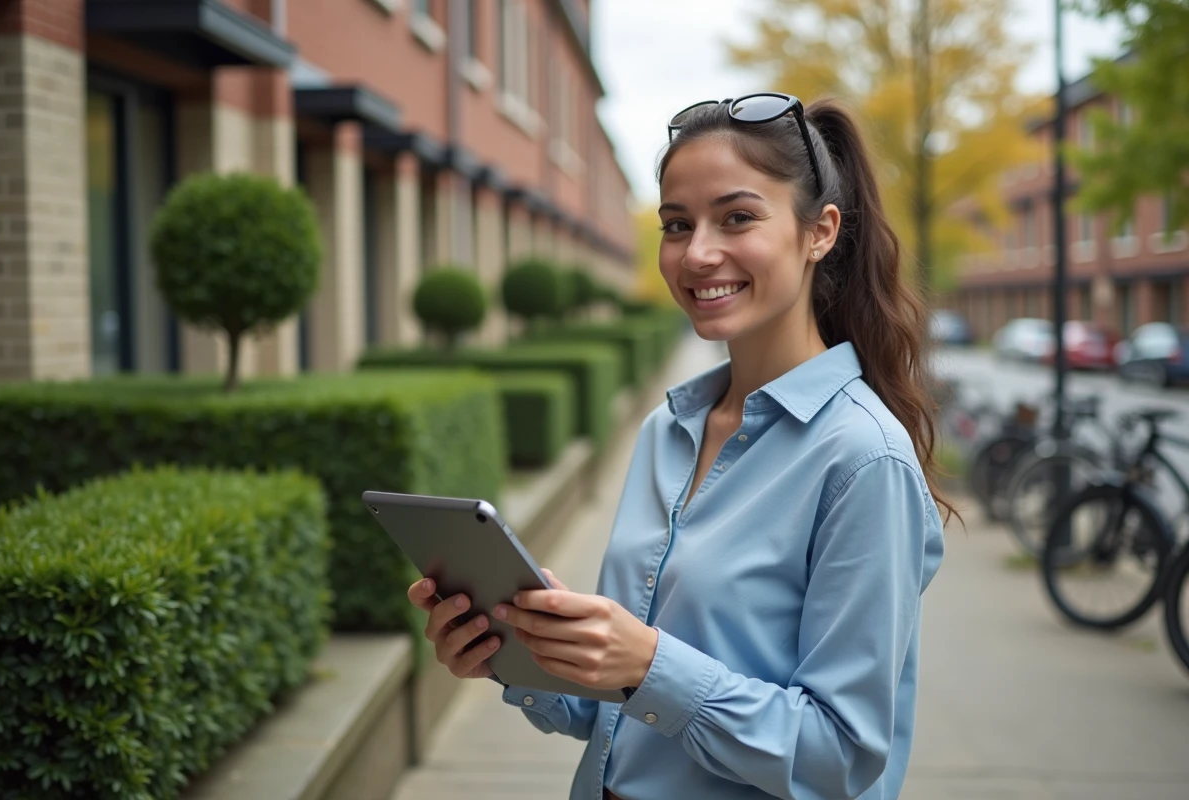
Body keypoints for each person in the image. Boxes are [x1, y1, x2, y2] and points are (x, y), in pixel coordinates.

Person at [407, 94, 950, 800]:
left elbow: (841, 756)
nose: (697, 253)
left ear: (819, 232)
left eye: (737, 217)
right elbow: (620, 710)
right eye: (675, 224)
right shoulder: (670, 430)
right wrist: (518, 651)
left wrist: (649, 665)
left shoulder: (862, 460)